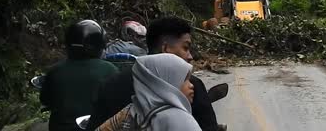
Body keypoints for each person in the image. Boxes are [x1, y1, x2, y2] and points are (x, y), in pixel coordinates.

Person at [87, 17, 221, 131]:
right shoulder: (191, 87)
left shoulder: (113, 83)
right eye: (185, 48)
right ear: (165, 48)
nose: (190, 56)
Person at [40, 20, 119, 131]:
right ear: (98, 45)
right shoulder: (110, 70)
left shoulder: (55, 71)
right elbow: (118, 103)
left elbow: (45, 100)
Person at [96, 54, 201, 131]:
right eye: (184, 79)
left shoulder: (131, 112)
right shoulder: (180, 120)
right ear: (164, 82)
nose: (191, 85)